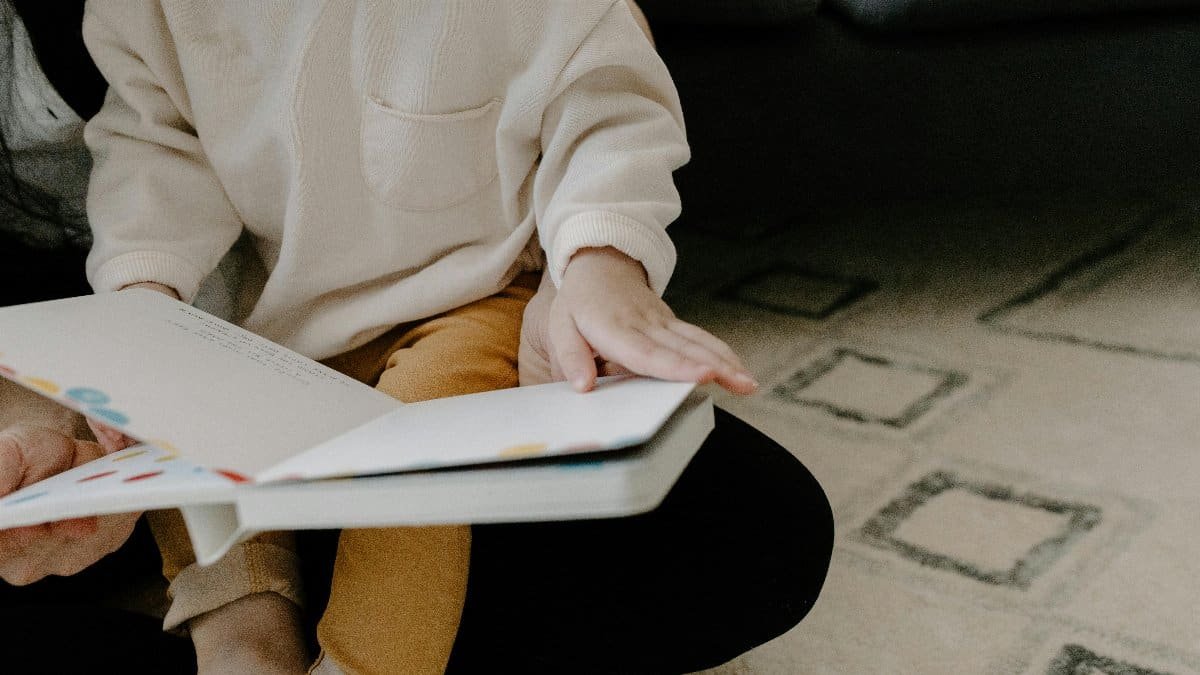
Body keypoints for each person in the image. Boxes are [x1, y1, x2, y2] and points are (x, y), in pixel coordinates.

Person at [2, 2, 834, 673]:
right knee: (177, 404)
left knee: (417, 469)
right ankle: (241, 630)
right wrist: (139, 309)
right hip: (256, 308)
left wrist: (599, 263)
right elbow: (154, 147)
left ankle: (369, 658)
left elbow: (608, 97)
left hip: (459, 297)